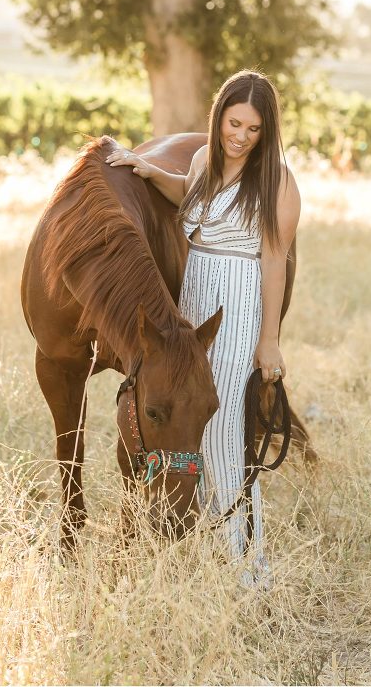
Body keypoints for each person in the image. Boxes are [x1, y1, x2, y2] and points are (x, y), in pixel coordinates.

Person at [107, 69, 301, 586]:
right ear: (219, 118)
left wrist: (269, 340)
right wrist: (145, 170)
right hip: (195, 296)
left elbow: (276, 259)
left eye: (253, 129)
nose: (240, 136)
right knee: (188, 415)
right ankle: (200, 543)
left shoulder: (277, 181)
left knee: (224, 430)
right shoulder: (202, 162)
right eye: (234, 123)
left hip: (238, 297)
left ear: (267, 131)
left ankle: (245, 565)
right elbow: (187, 196)